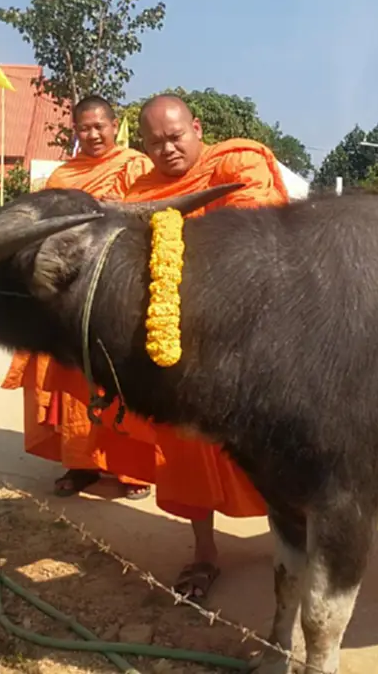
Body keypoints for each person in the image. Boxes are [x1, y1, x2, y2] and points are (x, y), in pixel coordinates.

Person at [101, 92, 291, 604]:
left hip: (247, 341)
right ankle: (204, 552)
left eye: (175, 137)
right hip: (178, 351)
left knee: (272, 452)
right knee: (186, 455)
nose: (167, 151)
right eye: (155, 142)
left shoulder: (236, 166)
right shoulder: (138, 192)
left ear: (197, 128)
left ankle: (290, 547)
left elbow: (257, 244)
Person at [0, 96, 155, 502]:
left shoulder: (135, 166)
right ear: (75, 131)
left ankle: (130, 467)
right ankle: (81, 464)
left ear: (114, 124)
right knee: (70, 380)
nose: (92, 134)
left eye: (99, 126)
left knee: (120, 375)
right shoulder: (62, 176)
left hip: (116, 289)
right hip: (67, 291)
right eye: (84, 128)